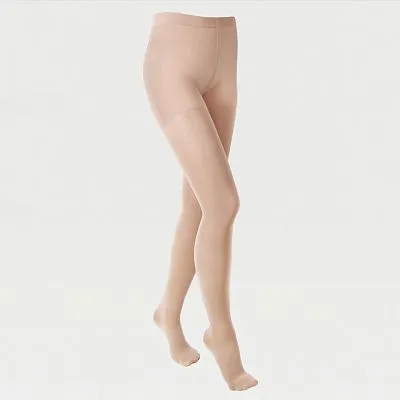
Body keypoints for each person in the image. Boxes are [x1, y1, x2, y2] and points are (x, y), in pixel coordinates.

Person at [142, 11, 258, 391]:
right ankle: (221, 334)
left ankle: (168, 312)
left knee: (200, 206)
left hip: (226, 48)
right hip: (173, 59)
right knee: (223, 204)